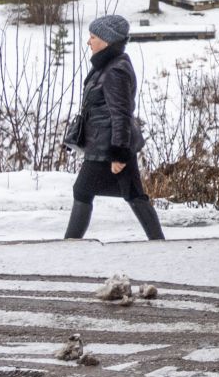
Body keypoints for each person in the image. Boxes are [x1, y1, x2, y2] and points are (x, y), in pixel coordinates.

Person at [64, 14, 165, 241]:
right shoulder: (107, 66)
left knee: (83, 191)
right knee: (134, 194)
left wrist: (118, 153)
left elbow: (121, 114)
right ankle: (158, 241)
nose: (88, 42)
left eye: (93, 37)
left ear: (107, 40)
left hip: (109, 147)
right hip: (105, 144)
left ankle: (70, 244)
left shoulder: (115, 71)